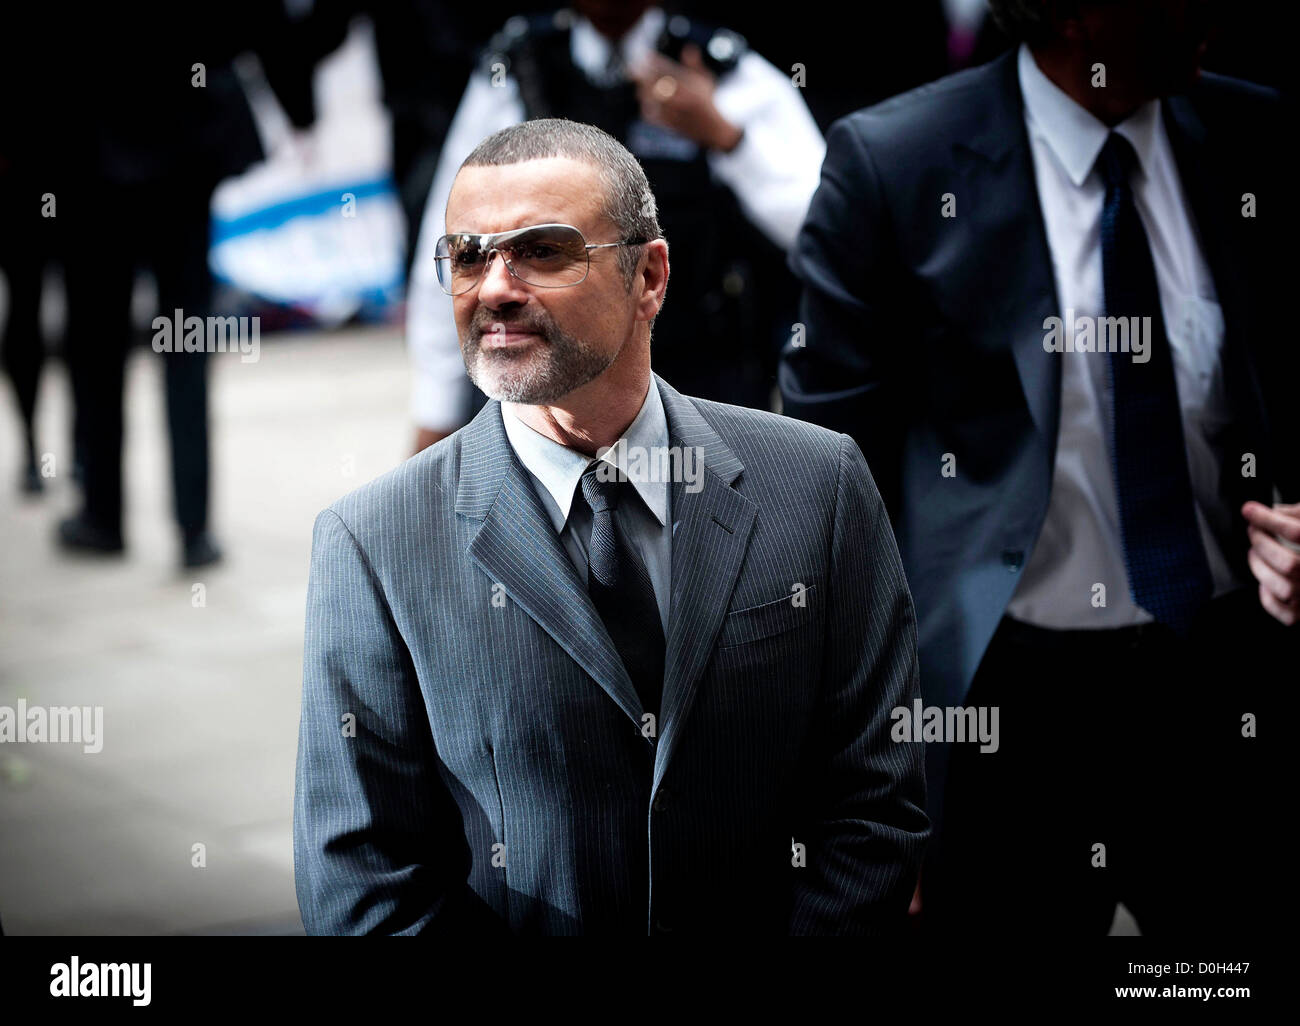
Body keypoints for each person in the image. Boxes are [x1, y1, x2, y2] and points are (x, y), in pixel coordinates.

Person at [294, 119, 927, 935]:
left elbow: (875, 804)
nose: (495, 287)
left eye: (544, 250)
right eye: (469, 255)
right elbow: (364, 885)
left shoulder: (819, 483)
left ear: (650, 276)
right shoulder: (372, 542)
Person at [780, 0, 1294, 935]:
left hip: (1225, 681)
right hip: (1001, 712)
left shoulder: (1257, 133)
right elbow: (824, 484)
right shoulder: (896, 163)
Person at [404, 0, 825, 453]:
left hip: (701, 380)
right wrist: (436, 410)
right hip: (547, 388)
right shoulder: (519, 66)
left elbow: (822, 225)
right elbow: (455, 242)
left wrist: (727, 138)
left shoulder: (715, 64)